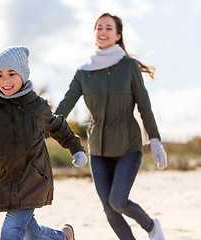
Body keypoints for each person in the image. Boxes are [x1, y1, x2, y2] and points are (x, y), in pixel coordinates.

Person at [0, 46, 88, 240]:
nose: (5, 80)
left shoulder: (37, 106)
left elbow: (58, 126)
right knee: (32, 234)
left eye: (12, 74)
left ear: (23, 75)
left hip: (34, 178)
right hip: (5, 179)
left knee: (11, 231)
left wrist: (76, 148)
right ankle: (63, 237)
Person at [54, 13, 167, 240]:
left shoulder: (129, 66)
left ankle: (151, 226)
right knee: (109, 209)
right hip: (98, 149)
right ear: (94, 33)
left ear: (117, 35)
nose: (103, 31)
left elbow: (144, 104)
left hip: (128, 146)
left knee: (118, 201)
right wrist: (45, 126)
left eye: (108, 28)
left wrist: (155, 139)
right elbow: (65, 105)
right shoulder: (84, 71)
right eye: (99, 27)